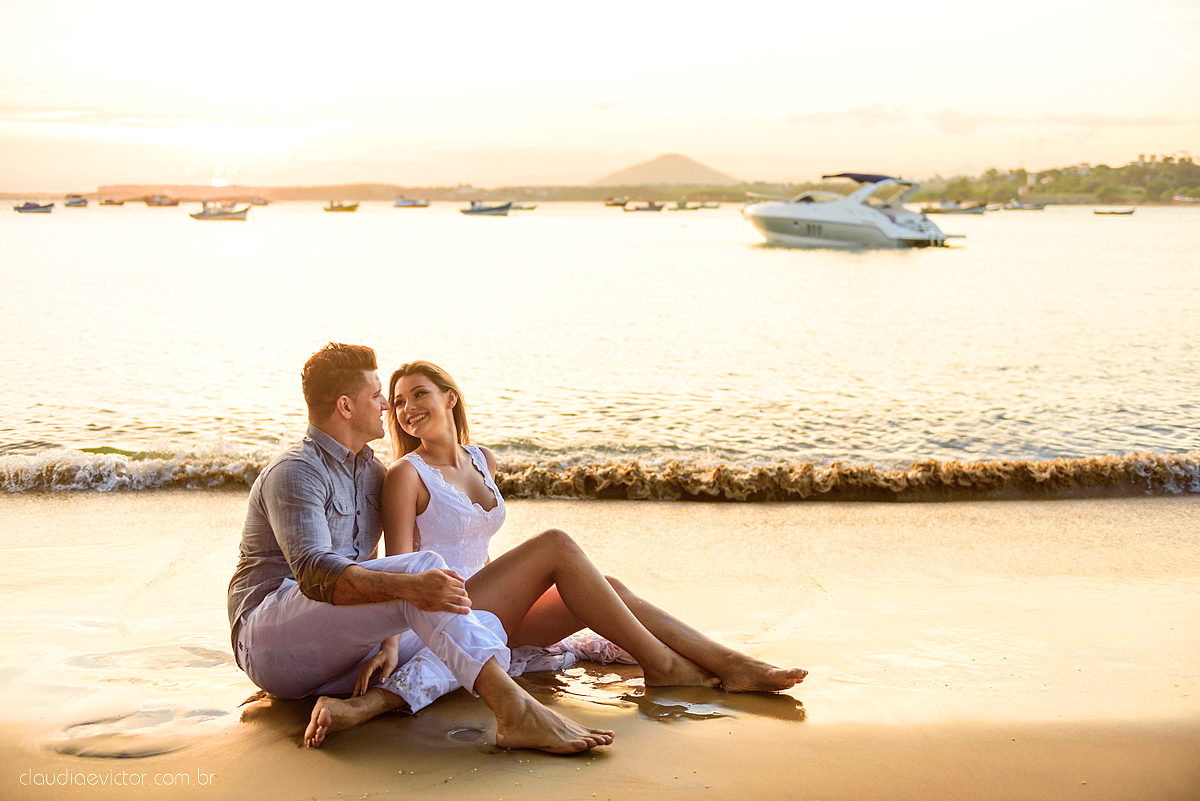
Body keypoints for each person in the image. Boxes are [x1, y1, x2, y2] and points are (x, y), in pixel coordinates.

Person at [314, 360, 807, 736]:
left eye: (418, 394)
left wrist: (509, 593)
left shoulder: (480, 459)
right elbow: (400, 569)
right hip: (440, 613)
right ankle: (666, 665)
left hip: (486, 603)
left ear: (450, 398)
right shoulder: (405, 474)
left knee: (608, 587)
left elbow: (481, 553)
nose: (405, 409)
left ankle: (732, 665)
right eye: (397, 402)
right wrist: (388, 646)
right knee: (555, 544)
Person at [227, 343, 616, 754]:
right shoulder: (296, 470)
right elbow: (316, 575)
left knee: (480, 621)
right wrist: (410, 588)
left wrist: (393, 631)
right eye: (377, 394)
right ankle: (515, 711)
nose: (385, 405)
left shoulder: (374, 473)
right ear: (345, 406)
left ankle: (363, 707)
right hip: (269, 641)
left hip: (334, 658)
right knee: (421, 575)